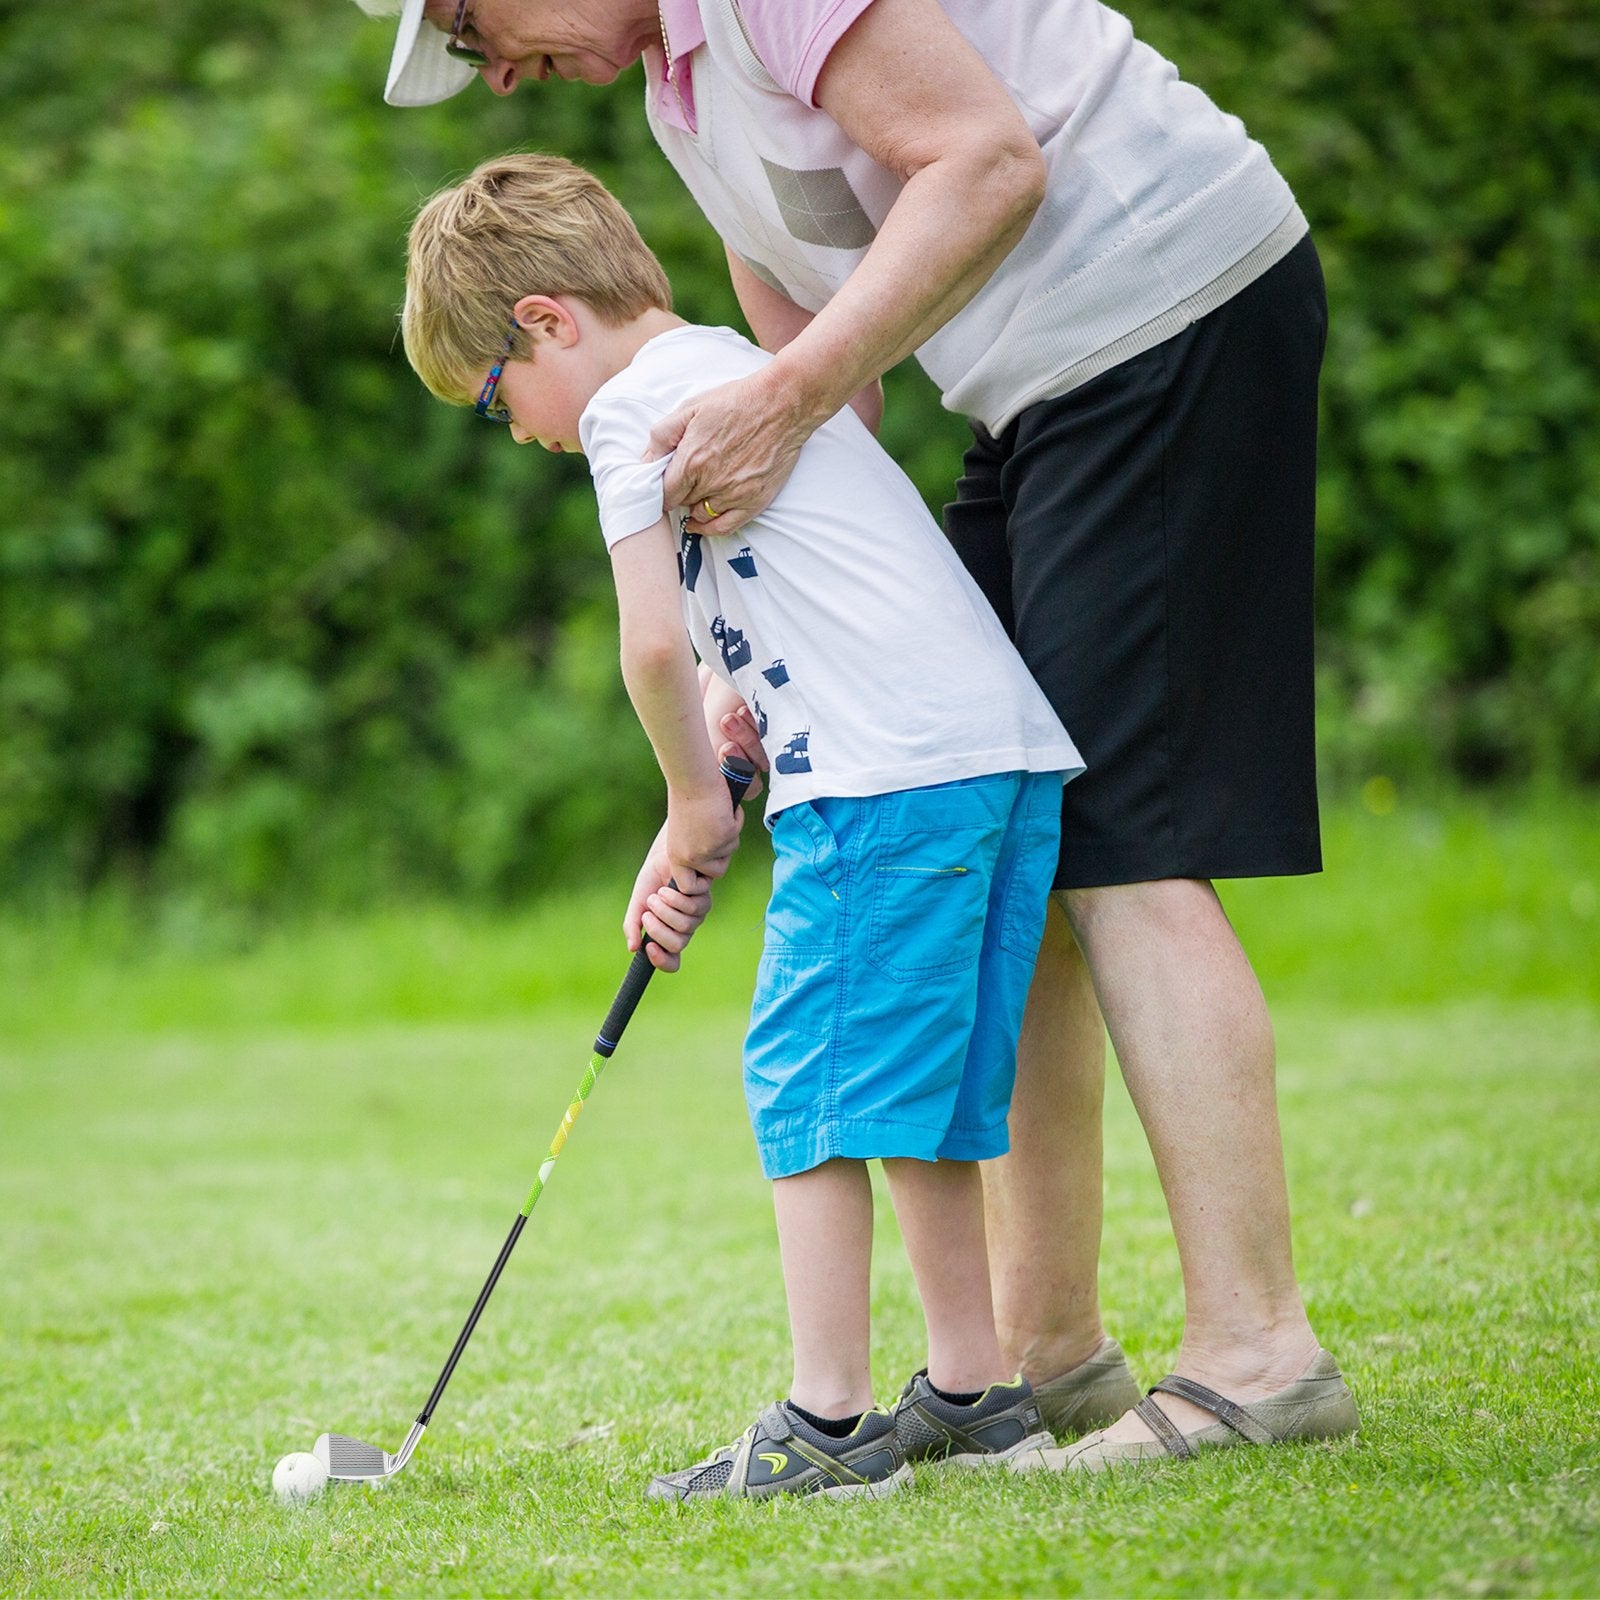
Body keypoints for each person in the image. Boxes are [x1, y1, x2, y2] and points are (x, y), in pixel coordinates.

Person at [361, 0, 1361, 1468]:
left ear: (542, 327)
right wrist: (779, 660)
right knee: (1047, 863)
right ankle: (1033, 1363)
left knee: (1128, 844)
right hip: (1029, 407)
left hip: (1158, 317)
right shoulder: (677, 106)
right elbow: (824, 401)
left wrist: (699, 802)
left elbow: (979, 171)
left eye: (468, 20)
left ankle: (1255, 1358)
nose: (491, 68)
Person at [402, 150, 1085, 1499]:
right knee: (921, 1098)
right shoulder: (743, 362)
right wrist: (734, 713)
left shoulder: (621, 415)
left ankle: (828, 1426)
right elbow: (754, 620)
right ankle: (972, 1392)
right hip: (995, 759)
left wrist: (691, 807)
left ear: (544, 320)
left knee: (807, 1082)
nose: (518, 428)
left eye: (494, 395)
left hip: (886, 782)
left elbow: (647, 647)